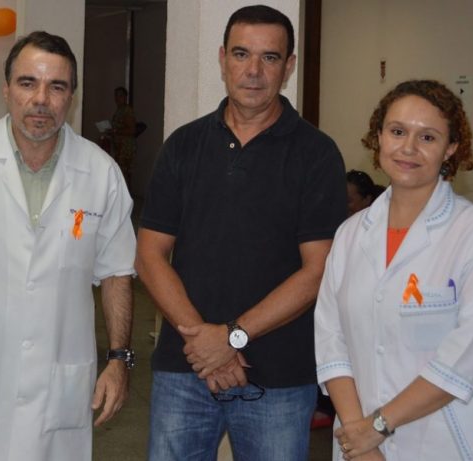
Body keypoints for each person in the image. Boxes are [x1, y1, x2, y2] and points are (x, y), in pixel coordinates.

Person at [136, 5, 347, 460]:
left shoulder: (317, 154)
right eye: (241, 54)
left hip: (278, 378)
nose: (253, 71)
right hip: (185, 368)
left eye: (270, 57)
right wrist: (203, 341)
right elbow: (150, 255)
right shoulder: (183, 145)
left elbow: (317, 271)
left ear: (288, 67)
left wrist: (231, 338)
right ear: (222, 59)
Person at [0, 31, 136, 461]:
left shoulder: (101, 173)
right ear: (6, 90)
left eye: (57, 87)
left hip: (58, 380)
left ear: (71, 97)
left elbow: (116, 273)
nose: (41, 99)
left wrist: (118, 360)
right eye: (27, 83)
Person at [315, 79, 473, 460]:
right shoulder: (351, 234)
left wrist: (378, 426)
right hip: (360, 445)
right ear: (379, 137)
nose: (408, 148)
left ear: (451, 147)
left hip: (448, 442)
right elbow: (330, 339)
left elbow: (467, 357)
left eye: (427, 137)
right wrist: (360, 439)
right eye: (397, 131)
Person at [109, 86, 137, 186]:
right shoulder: (119, 110)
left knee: (124, 174)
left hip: (125, 149)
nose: (117, 98)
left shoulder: (127, 110)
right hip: (119, 148)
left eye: (120, 96)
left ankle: (126, 194)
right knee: (119, 173)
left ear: (125, 97)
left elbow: (132, 130)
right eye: (116, 96)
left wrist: (116, 131)